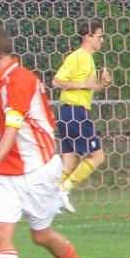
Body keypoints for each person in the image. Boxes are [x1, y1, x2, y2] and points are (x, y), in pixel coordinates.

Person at [0, 26, 88, 258]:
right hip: (9, 173)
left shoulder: (19, 80)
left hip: (38, 170)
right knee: (0, 231)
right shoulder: (0, 83)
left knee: (41, 235)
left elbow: (13, 129)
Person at [51, 21, 111, 213]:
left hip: (71, 112)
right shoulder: (77, 57)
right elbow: (56, 81)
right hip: (74, 112)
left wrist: (102, 84)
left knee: (70, 160)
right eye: (100, 36)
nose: (102, 40)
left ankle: (54, 198)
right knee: (98, 156)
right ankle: (64, 189)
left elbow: (87, 88)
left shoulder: (89, 60)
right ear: (88, 37)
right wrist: (84, 84)